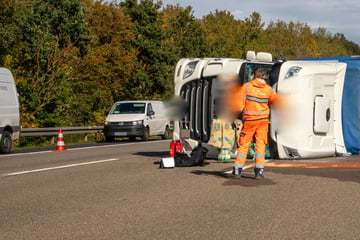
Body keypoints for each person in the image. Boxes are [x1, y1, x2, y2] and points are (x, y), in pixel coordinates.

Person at [231, 67, 277, 179]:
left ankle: (237, 171)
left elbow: (239, 105)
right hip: (263, 121)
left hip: (250, 120)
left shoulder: (246, 87)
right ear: (264, 76)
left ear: (253, 75)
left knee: (244, 144)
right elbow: (274, 101)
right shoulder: (268, 89)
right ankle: (259, 172)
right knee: (260, 145)